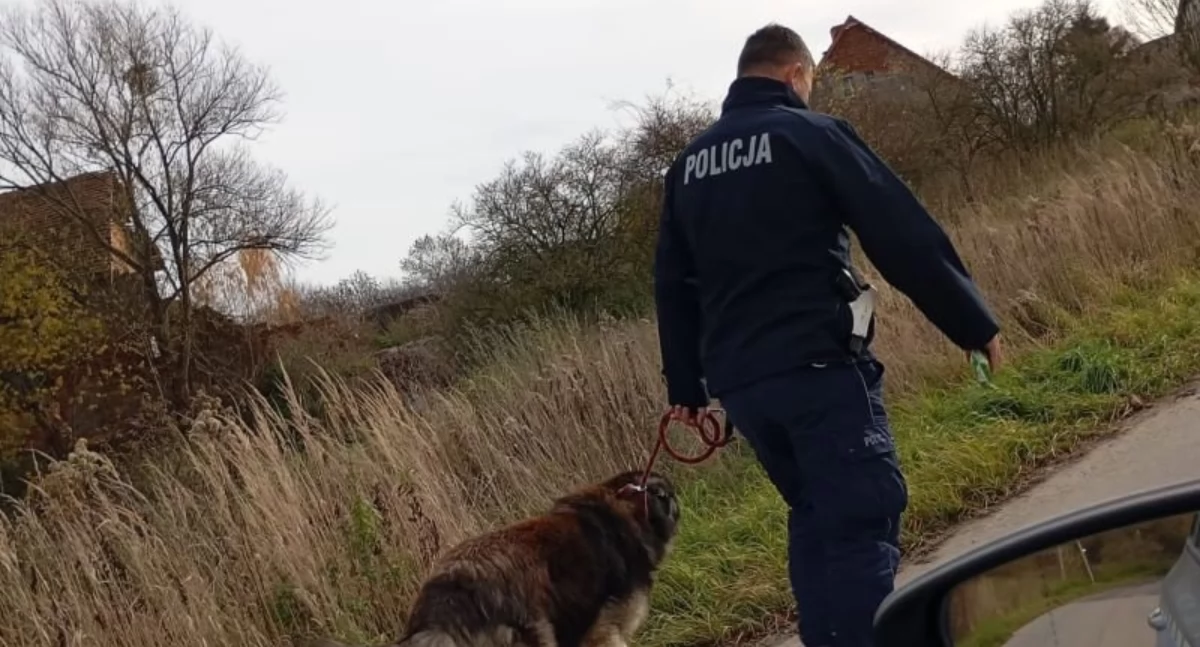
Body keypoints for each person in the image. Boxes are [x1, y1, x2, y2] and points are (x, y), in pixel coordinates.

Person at [652, 23, 1003, 647]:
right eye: (809, 82)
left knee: (818, 524)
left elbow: (673, 283)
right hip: (819, 371)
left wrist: (686, 386)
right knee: (860, 519)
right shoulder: (809, 134)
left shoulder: (689, 167)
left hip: (745, 390)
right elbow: (899, 231)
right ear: (795, 74)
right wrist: (971, 322)